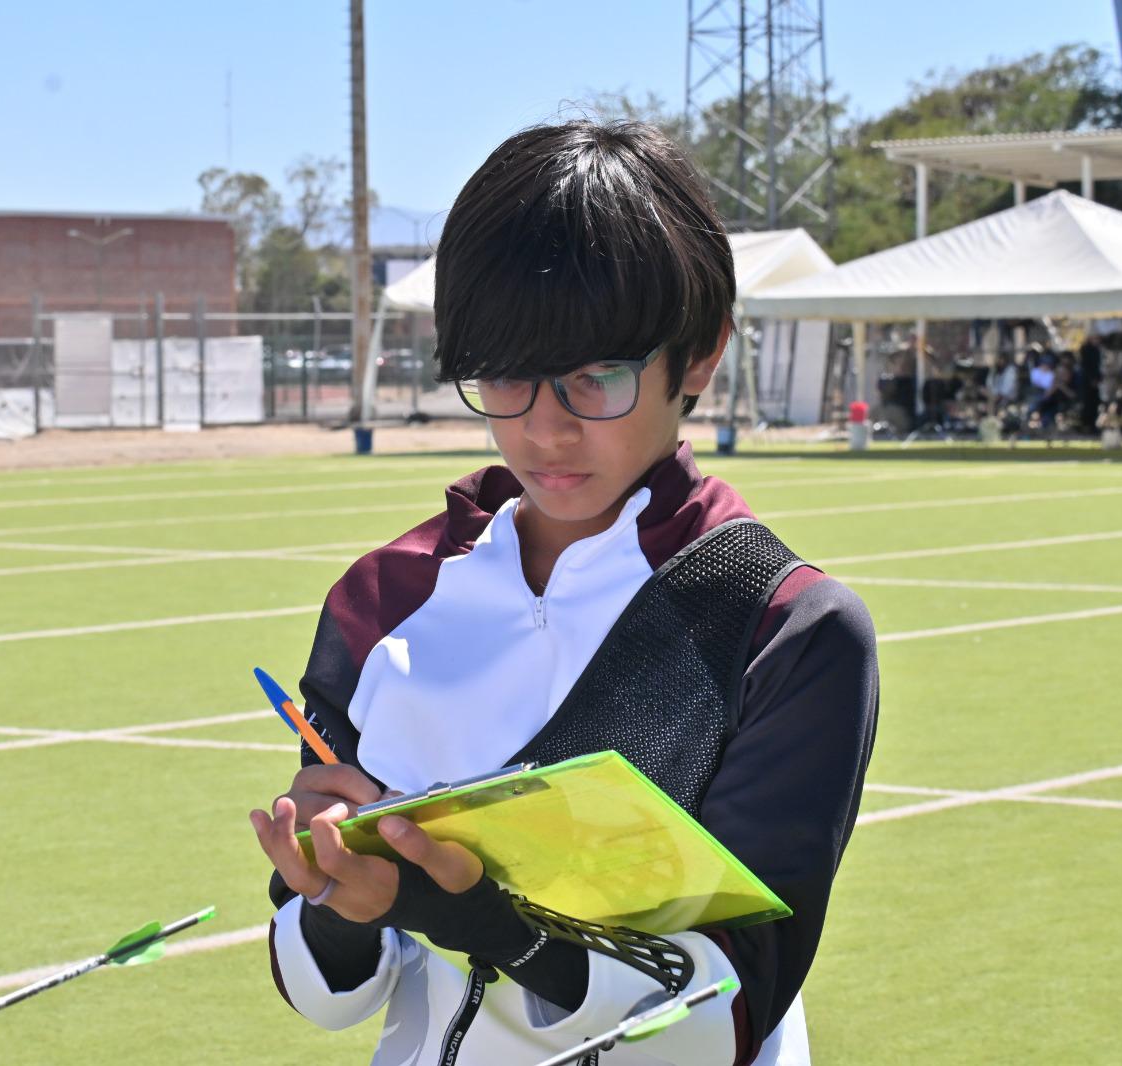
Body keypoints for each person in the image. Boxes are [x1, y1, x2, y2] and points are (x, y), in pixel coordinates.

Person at [251, 121, 879, 1066]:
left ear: (700, 356)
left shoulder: (780, 625)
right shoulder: (382, 598)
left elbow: (722, 1021)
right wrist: (341, 902)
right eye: (505, 375)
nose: (546, 431)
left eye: (597, 378)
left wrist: (485, 920)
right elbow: (327, 996)